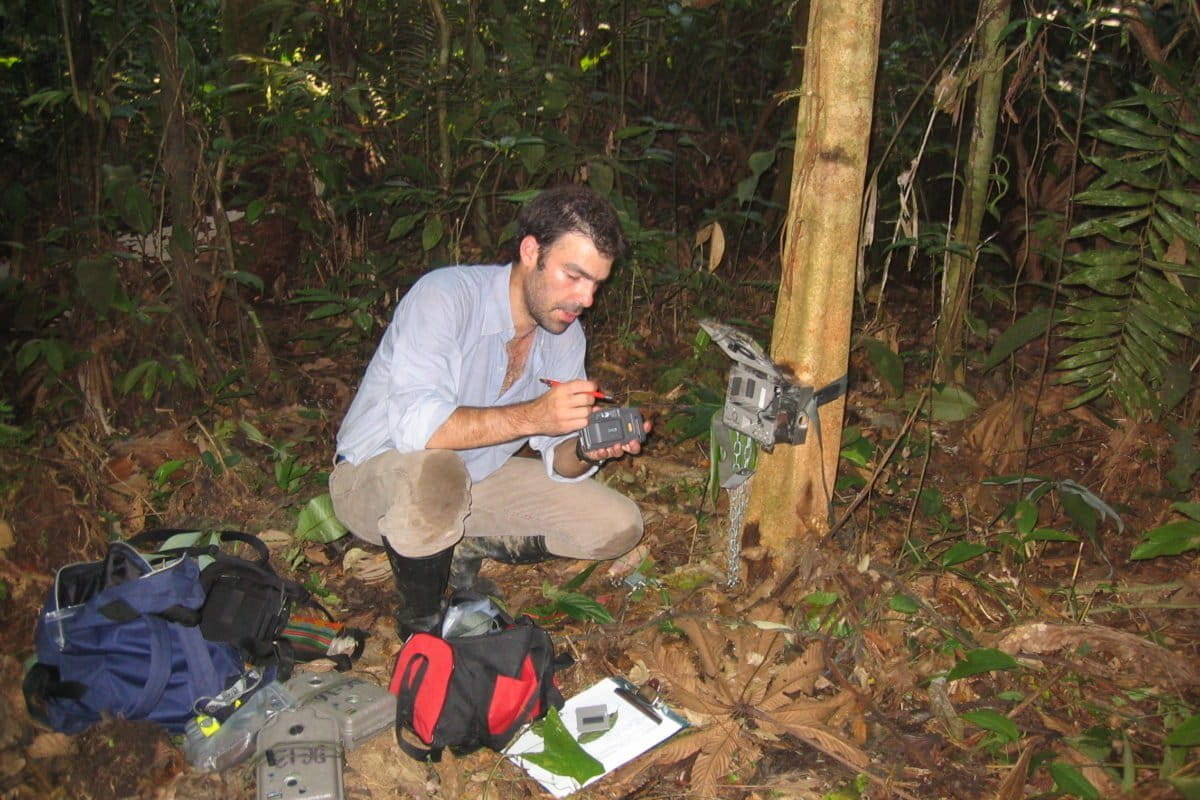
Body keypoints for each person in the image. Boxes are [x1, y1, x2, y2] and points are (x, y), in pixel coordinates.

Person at [331, 185, 650, 636]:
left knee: (617, 525)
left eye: (596, 283)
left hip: (473, 481)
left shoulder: (564, 333)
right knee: (437, 472)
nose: (586, 299)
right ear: (530, 251)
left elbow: (556, 454)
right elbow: (417, 429)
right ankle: (421, 625)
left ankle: (459, 545)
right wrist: (536, 415)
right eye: (573, 276)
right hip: (373, 480)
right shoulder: (445, 296)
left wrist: (586, 448)